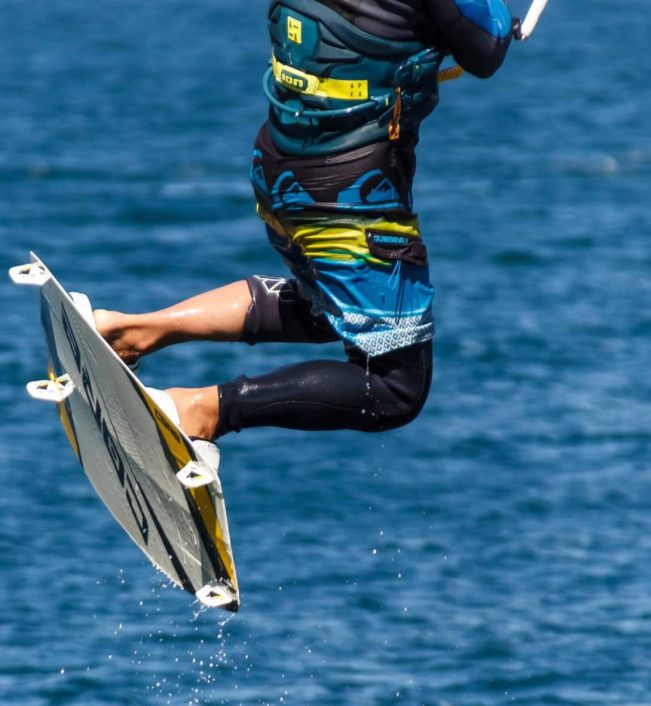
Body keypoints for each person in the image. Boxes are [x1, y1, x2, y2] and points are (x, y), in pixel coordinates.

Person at [92, 0, 516, 461]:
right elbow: (487, 49)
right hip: (348, 199)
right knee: (397, 387)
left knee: (328, 308)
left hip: (280, 172)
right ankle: (200, 411)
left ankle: (129, 332)